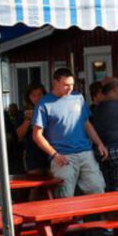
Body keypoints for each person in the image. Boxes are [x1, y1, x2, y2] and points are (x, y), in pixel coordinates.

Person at [32, 68, 108, 200]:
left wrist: (99, 143)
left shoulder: (78, 97)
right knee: (64, 196)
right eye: (66, 85)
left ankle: (98, 220)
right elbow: (37, 135)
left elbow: (86, 123)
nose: (70, 88)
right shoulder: (43, 103)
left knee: (97, 189)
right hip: (62, 156)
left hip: (85, 152)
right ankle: (70, 221)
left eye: (72, 84)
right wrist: (54, 154)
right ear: (55, 83)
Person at [16, 83, 49, 176]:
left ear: (44, 95)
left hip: (50, 150)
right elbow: (19, 135)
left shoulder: (49, 110)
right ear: (28, 97)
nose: (37, 98)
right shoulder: (23, 113)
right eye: (33, 95)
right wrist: (28, 119)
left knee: (53, 181)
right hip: (32, 152)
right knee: (34, 184)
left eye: (40, 94)